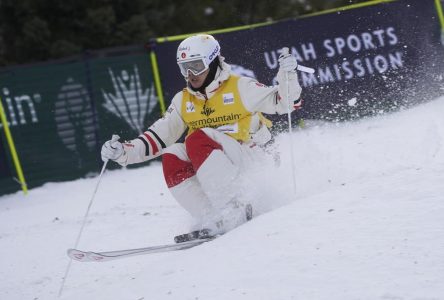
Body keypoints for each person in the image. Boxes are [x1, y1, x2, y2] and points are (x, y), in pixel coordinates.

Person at [101, 34, 302, 239]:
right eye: (184, 67)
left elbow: (284, 103)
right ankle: (213, 218)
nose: (190, 74)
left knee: (197, 139)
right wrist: (123, 152)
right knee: (172, 155)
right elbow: (157, 137)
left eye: (196, 65)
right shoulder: (183, 100)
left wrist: (289, 75)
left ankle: (234, 210)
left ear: (213, 62)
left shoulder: (240, 86)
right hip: (219, 165)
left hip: (252, 160)